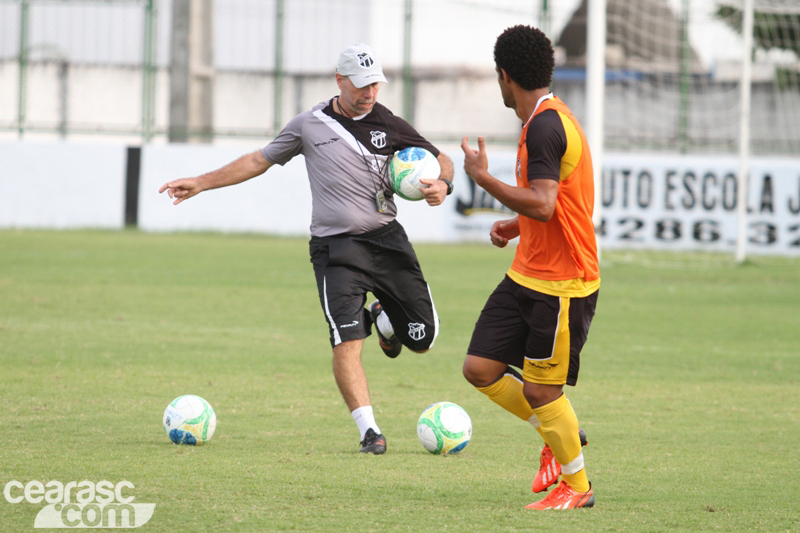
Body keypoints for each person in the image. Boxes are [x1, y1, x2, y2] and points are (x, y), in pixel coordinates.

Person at [160, 43, 455, 455]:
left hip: (388, 242)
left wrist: (443, 184)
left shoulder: (389, 123)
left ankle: (384, 319)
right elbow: (258, 160)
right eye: (361, 84)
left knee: (423, 340)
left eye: (375, 84)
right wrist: (201, 182)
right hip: (336, 250)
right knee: (345, 341)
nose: (369, 93)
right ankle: (370, 432)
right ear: (339, 80)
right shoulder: (309, 125)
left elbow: (442, 160)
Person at [460, 25, 599, 509]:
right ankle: (558, 432)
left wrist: (482, 179)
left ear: (505, 76)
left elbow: (543, 203)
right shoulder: (540, 121)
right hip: (526, 274)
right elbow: (553, 204)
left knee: (542, 391)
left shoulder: (545, 126)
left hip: (563, 283)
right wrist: (515, 226)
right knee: (480, 368)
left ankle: (577, 487)